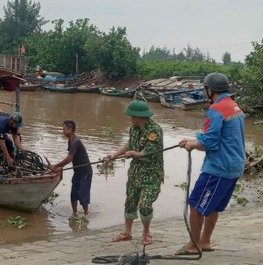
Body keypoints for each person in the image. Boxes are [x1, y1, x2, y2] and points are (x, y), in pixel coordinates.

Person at [176, 72, 245, 255]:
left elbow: (210, 143)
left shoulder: (216, 109)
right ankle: (205, 241)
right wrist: (193, 141)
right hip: (235, 166)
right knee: (213, 206)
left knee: (195, 204)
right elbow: (221, 138)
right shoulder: (234, 106)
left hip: (218, 168)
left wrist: (193, 144)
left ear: (209, 90)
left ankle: (194, 244)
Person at [104, 100, 164, 246]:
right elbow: (129, 145)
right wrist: (114, 155)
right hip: (135, 173)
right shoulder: (134, 128)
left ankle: (146, 233)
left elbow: (148, 154)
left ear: (138, 116)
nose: (130, 118)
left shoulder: (154, 130)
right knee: (130, 201)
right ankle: (127, 233)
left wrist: (133, 154)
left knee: (145, 204)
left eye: (131, 116)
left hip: (151, 174)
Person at [50, 120, 92, 218]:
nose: (63, 131)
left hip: (85, 171)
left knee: (82, 194)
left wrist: (56, 166)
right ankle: (74, 214)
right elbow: (70, 157)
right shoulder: (70, 141)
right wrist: (59, 166)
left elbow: (69, 158)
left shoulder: (75, 142)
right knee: (73, 193)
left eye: (64, 129)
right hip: (77, 171)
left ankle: (86, 214)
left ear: (70, 129)